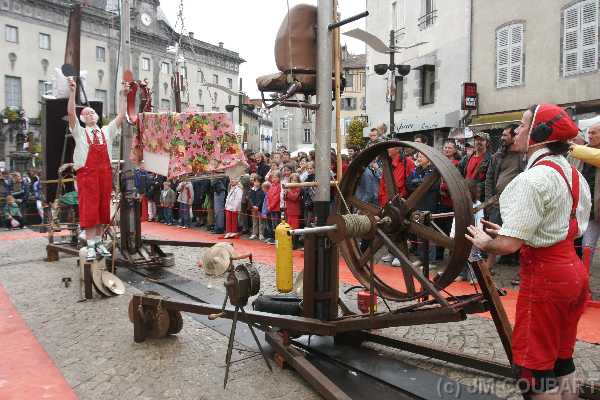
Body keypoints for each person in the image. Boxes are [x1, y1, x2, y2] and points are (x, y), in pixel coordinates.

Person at [466, 104, 591, 399]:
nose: (518, 131)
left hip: (546, 279)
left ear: (539, 135)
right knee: (562, 360)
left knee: (535, 371)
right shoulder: (574, 175)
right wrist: (513, 232)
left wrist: (485, 242)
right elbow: (559, 224)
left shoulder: (531, 180)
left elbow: (509, 246)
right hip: (573, 273)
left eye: (523, 125)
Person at [67, 76, 128, 260]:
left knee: (102, 209)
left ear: (97, 116)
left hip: (104, 174)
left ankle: (99, 242)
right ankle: (91, 244)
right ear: (82, 119)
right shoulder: (80, 132)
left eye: (92, 112)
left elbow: (121, 117)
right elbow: (71, 114)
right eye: (86, 113)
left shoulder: (106, 131)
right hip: (87, 175)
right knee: (89, 209)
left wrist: (123, 96)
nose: (90, 114)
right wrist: (72, 92)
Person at [484, 124, 526, 271]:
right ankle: (488, 265)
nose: (502, 138)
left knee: (519, 233)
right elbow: (489, 178)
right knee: (492, 232)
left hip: (517, 202)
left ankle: (522, 268)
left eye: (505, 135)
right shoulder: (498, 156)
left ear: (514, 136)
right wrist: (488, 198)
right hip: (497, 201)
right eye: (501, 135)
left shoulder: (524, 156)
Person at [406, 152, 440, 267]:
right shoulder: (417, 170)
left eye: (422, 156)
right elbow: (409, 184)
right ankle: (421, 258)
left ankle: (431, 260)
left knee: (429, 233)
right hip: (418, 204)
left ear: (428, 158)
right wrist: (419, 183)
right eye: (418, 156)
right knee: (419, 232)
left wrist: (418, 183)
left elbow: (431, 186)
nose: (419, 158)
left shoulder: (434, 171)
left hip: (429, 205)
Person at [580, 122, 600, 265]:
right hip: (591, 210)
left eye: (594, 133)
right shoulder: (580, 153)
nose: (590, 135)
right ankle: (584, 284)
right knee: (587, 247)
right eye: (589, 132)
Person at [459, 131, 491, 202]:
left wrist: (476, 188)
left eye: (482, 140)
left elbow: (490, 179)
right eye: (477, 139)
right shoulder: (467, 157)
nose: (478, 142)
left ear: (487, 143)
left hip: (480, 197)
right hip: (466, 194)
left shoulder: (490, 159)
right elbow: (461, 173)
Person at [265, 171, 282, 244]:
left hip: (276, 208)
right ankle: (273, 237)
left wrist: (271, 206)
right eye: (273, 177)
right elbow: (268, 196)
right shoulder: (271, 185)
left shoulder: (279, 186)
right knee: (272, 224)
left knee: (276, 224)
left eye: (276, 177)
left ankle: (277, 238)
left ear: (279, 178)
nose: (274, 179)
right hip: (271, 208)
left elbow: (276, 198)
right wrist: (268, 205)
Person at [249, 176, 266, 240]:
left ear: (260, 183)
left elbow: (262, 200)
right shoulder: (251, 190)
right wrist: (252, 206)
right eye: (255, 181)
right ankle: (254, 233)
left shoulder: (261, 191)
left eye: (258, 182)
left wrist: (258, 206)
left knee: (261, 222)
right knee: (254, 221)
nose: (256, 183)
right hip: (253, 208)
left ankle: (261, 234)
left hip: (260, 209)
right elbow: (250, 198)